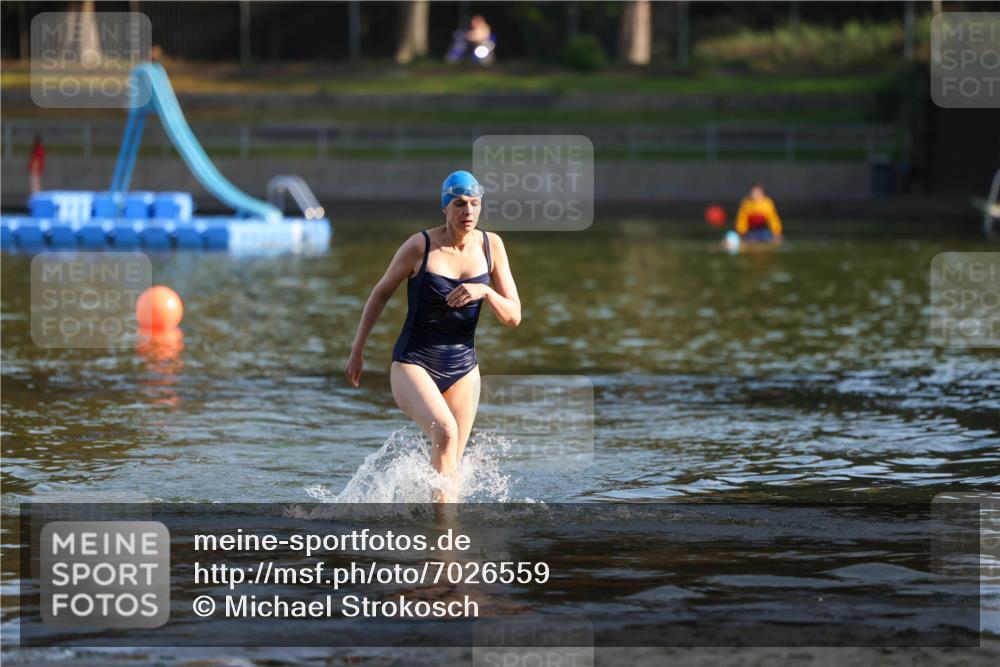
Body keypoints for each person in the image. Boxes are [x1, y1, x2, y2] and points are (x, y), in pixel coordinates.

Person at [345, 171, 521, 503]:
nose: (468, 211)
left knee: (450, 467)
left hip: (464, 370)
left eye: (474, 204)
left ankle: (443, 539)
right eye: (459, 204)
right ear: (444, 207)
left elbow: (514, 315)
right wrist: (358, 350)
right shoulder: (419, 246)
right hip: (413, 363)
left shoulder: (491, 245)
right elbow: (380, 294)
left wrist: (484, 291)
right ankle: (440, 535)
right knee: (446, 431)